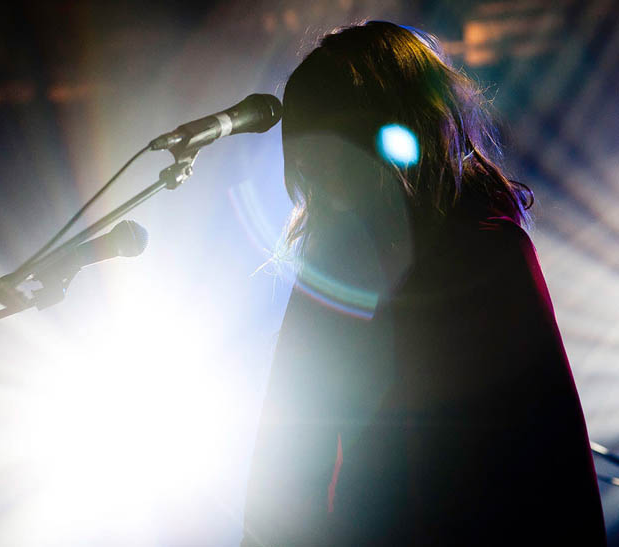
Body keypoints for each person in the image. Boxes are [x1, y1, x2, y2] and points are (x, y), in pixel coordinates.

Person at [242, 21, 605, 546]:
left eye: (328, 145)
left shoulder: (487, 254)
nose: (318, 173)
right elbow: (283, 469)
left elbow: (555, 453)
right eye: (308, 155)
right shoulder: (332, 272)